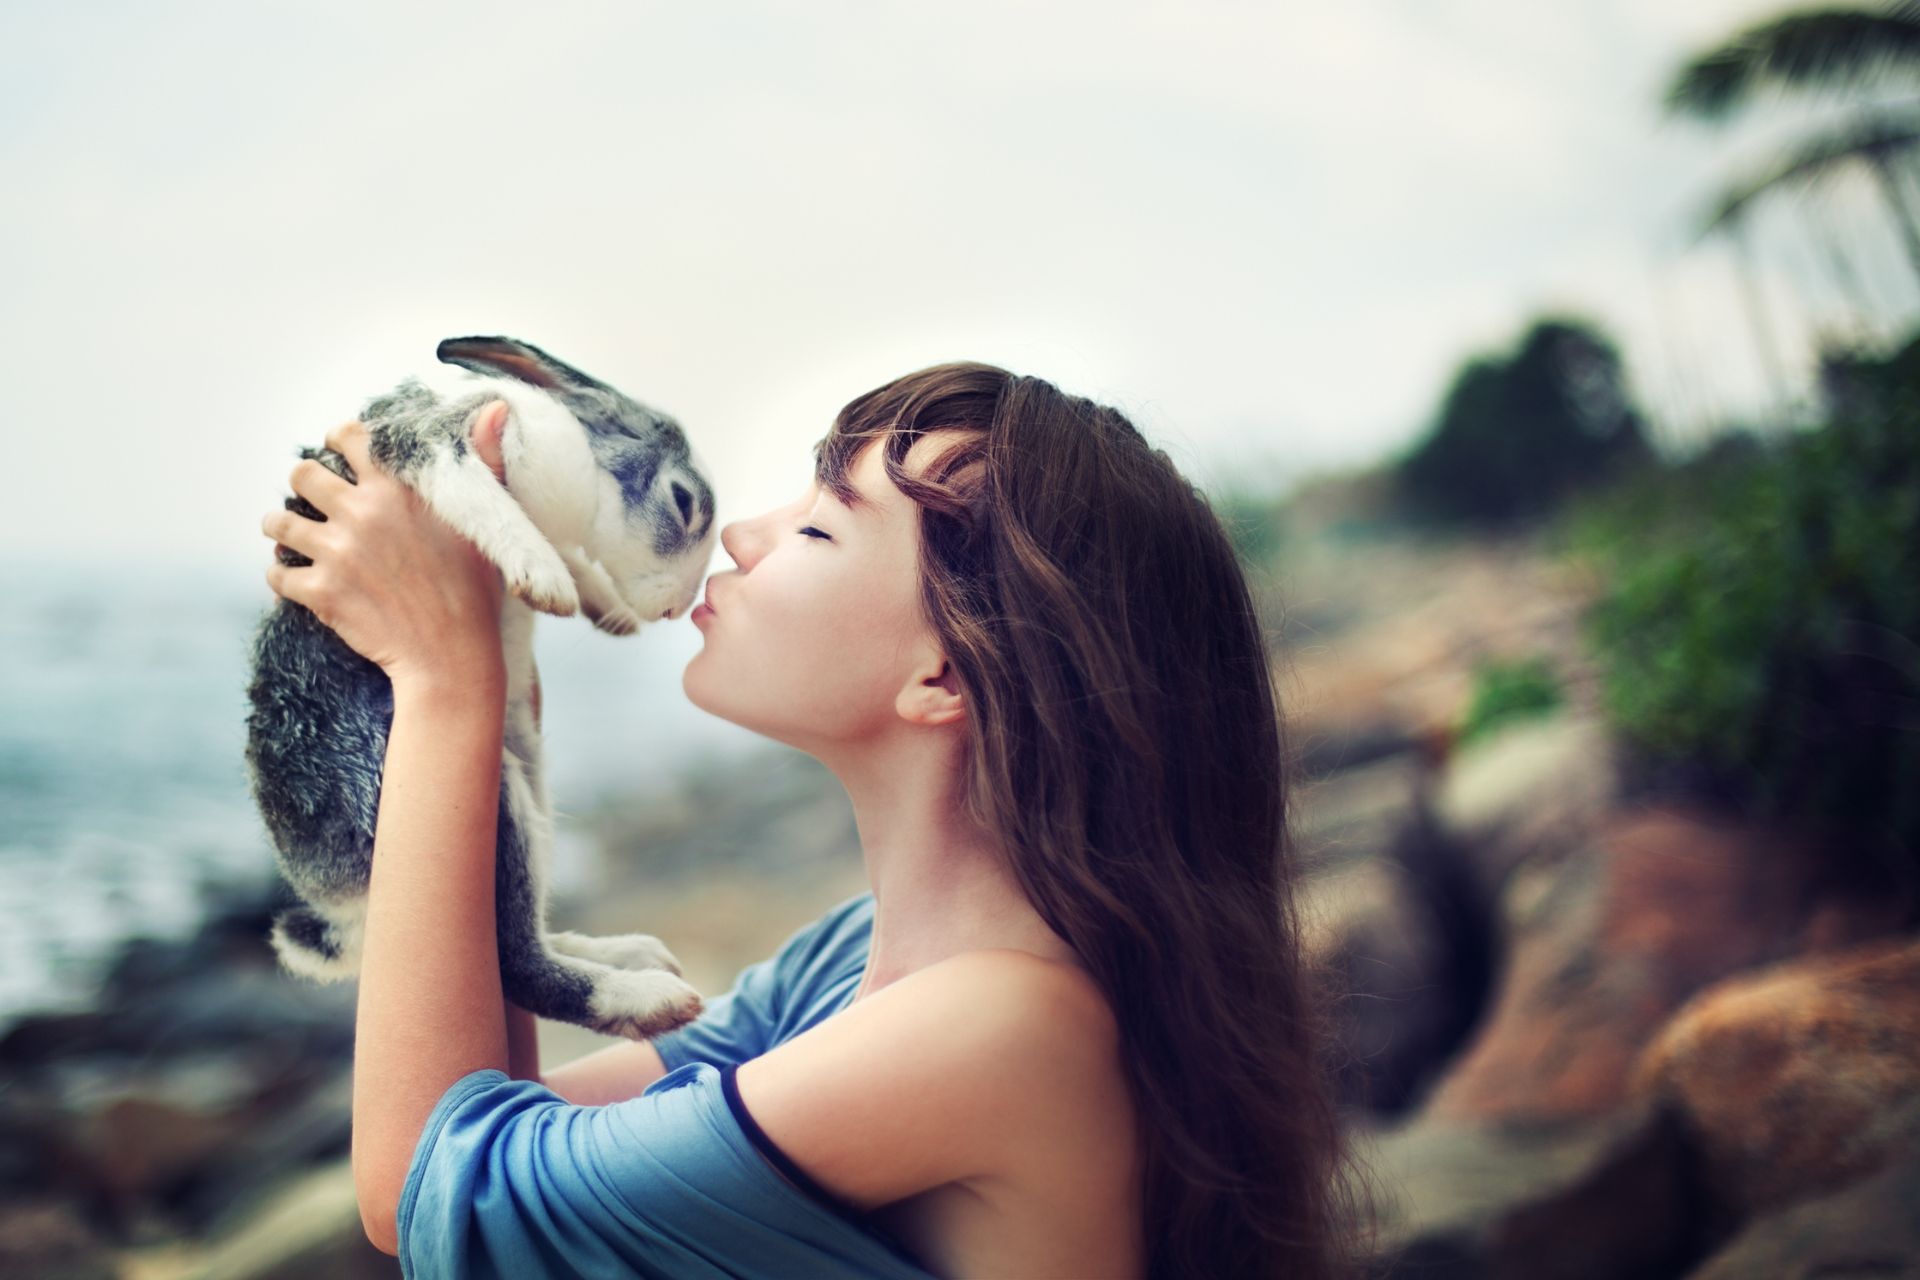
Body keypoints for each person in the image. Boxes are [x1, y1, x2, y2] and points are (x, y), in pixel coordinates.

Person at [259, 360, 1371, 1279]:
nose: (743, 534)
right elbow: (497, 1130)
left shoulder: (1004, 1023)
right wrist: (490, 691)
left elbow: (427, 1188)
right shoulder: (850, 965)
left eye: (823, 526)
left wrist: (444, 681)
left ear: (945, 674)